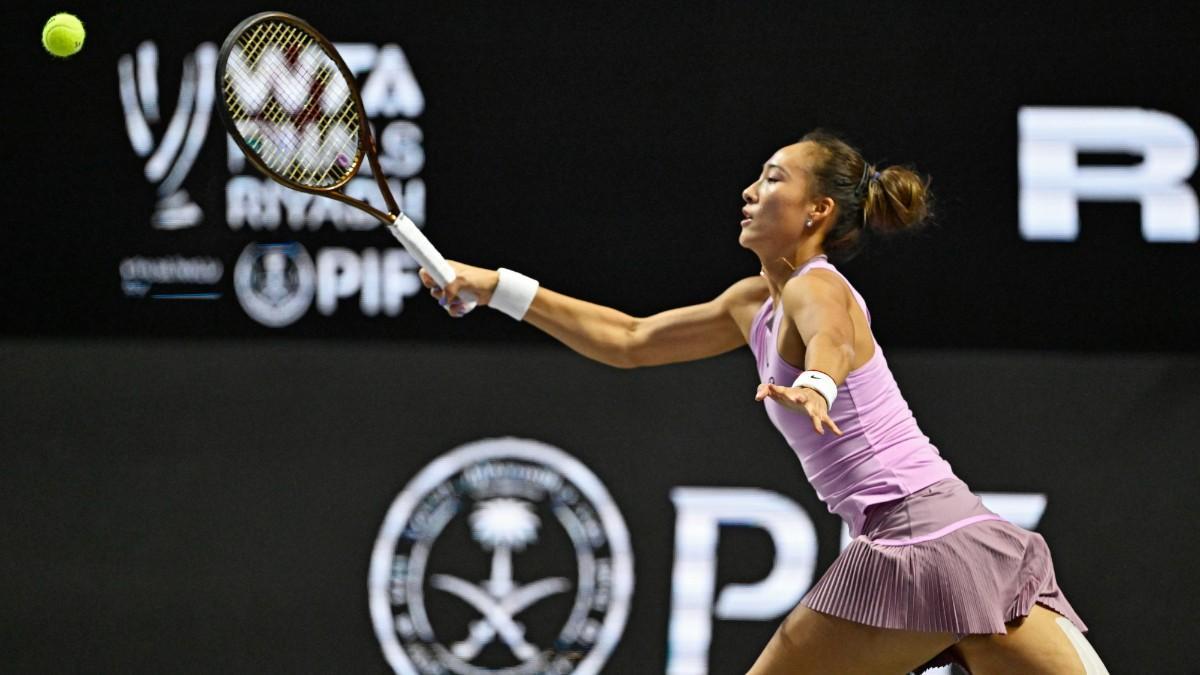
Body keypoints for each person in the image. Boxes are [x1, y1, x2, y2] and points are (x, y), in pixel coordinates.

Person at [420, 130, 1108, 674]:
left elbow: (832, 338)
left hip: (917, 540)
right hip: (958, 537)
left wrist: (816, 382)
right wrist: (496, 287)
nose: (750, 191)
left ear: (819, 210)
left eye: (774, 178)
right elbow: (627, 338)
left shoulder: (817, 286)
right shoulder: (751, 303)